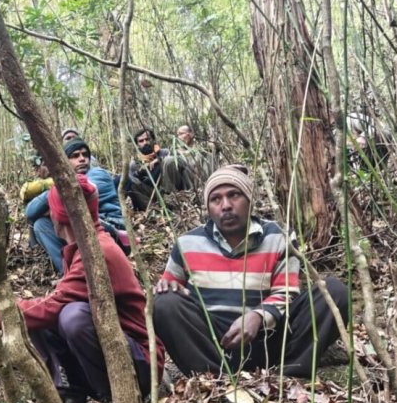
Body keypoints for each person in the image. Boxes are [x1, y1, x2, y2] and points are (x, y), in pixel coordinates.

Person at [0, 175, 160, 403]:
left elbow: (51, 308)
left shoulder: (96, 252)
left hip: (143, 363)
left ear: (57, 216)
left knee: (70, 316)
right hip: (130, 354)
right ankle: (72, 393)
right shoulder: (85, 246)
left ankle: (113, 399)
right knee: (47, 318)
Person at [153, 165, 348, 378]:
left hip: (268, 338)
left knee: (334, 292)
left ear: (249, 200)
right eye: (216, 199)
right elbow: (172, 290)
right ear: (208, 208)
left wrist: (257, 316)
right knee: (164, 304)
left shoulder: (279, 236)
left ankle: (289, 376)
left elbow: (287, 293)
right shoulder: (188, 242)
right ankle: (212, 380)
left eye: (234, 195)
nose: (225, 205)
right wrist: (166, 287)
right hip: (215, 344)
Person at [26, 137, 128, 273]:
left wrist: (53, 199)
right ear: (64, 162)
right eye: (75, 156)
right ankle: (69, 273)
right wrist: (57, 188)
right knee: (41, 224)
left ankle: (80, 274)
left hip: (110, 230)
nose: (82, 159)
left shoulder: (98, 174)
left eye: (85, 155)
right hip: (82, 232)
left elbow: (76, 192)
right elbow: (29, 212)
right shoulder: (63, 184)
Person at [126, 127, 168, 210]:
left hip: (166, 192)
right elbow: (133, 184)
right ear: (137, 145)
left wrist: (159, 160)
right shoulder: (134, 164)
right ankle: (151, 209)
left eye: (147, 139)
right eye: (141, 141)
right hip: (147, 195)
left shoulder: (165, 153)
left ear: (153, 140)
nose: (145, 142)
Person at [165, 124, 217, 191]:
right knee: (168, 160)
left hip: (198, 178)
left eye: (181, 134)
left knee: (208, 155)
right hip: (184, 180)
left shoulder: (201, 147)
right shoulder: (175, 151)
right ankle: (171, 192)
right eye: (177, 135)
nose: (178, 137)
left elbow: (214, 147)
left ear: (190, 134)